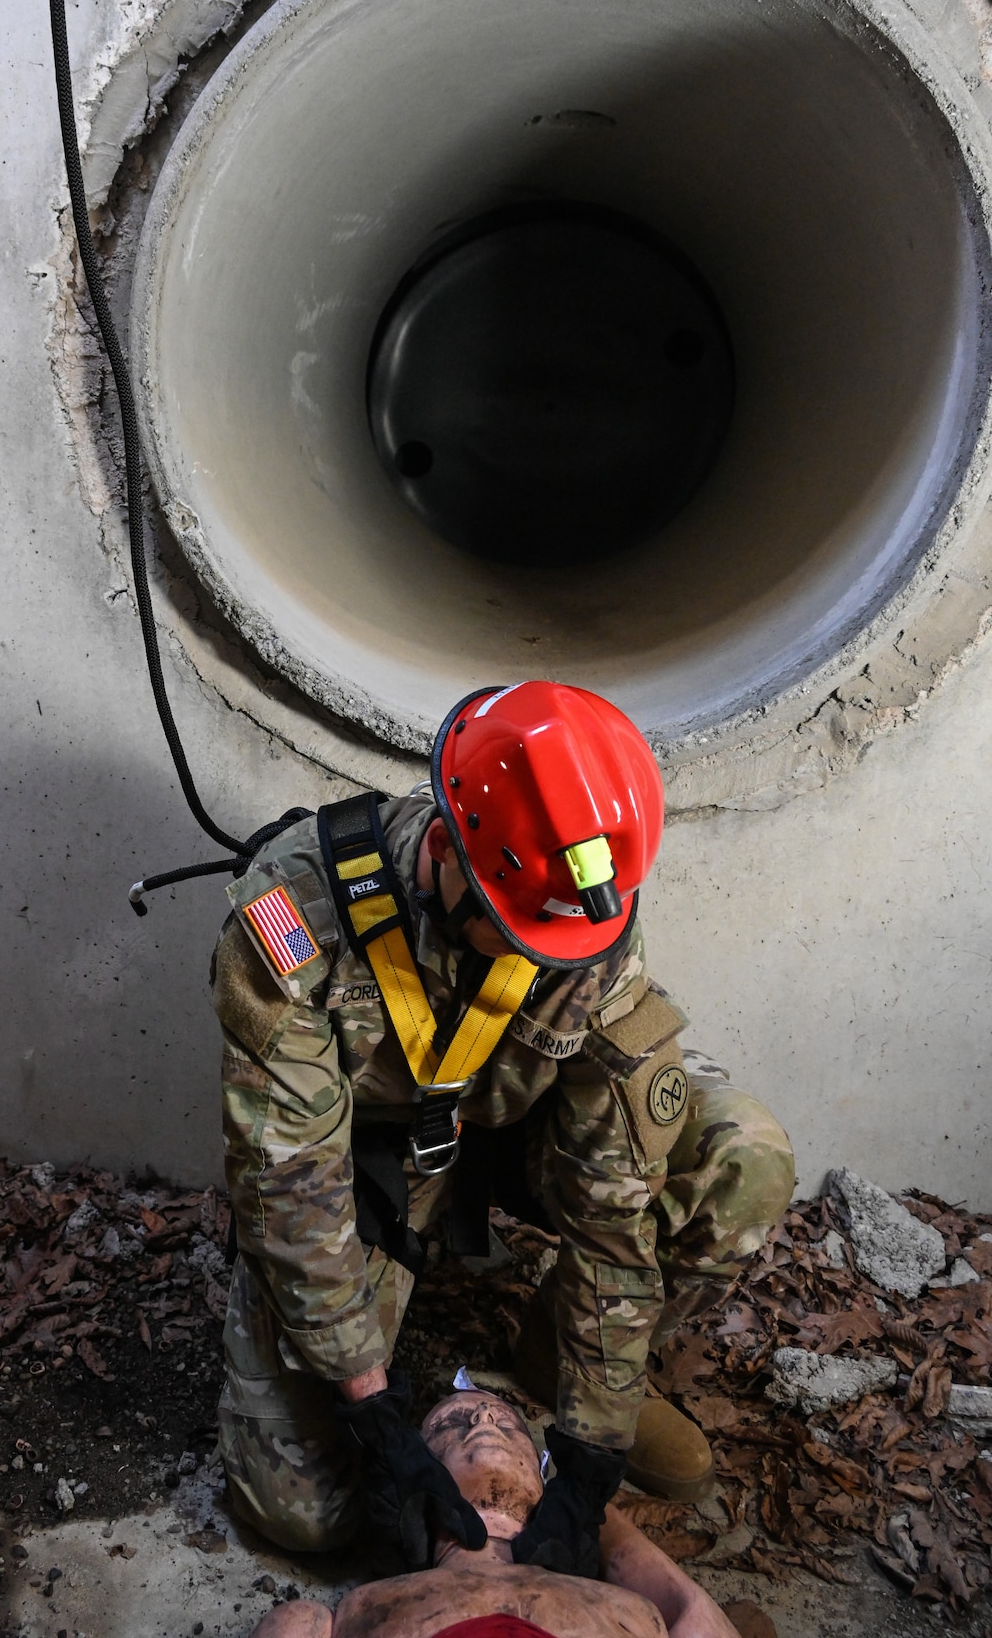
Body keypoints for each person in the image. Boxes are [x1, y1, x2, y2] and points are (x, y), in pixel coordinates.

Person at [212, 680, 794, 1568]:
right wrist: (370, 1406)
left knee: (742, 1156)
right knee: (303, 1515)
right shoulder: (296, 914)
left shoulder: (585, 914)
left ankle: (550, 1358)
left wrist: (593, 1444)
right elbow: (289, 1183)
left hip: (529, 1122)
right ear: (445, 849)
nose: (542, 959)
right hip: (376, 1154)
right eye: (513, 931)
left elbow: (613, 1193)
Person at [247, 1389, 750, 1638]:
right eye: (450, 1425)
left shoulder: (362, 1608)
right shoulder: (365, 1607)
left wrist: (592, 1512)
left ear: (542, 1477)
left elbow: (696, 1619)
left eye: (509, 1427)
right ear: (414, 1481)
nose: (484, 1417)